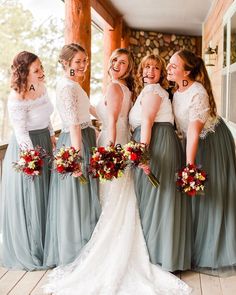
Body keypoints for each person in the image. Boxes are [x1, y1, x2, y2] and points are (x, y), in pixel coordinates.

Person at [43, 48, 191, 295]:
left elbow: (111, 122)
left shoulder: (116, 88)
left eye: (123, 62)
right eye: (114, 60)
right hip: (122, 141)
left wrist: (108, 151)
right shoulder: (125, 89)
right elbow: (102, 112)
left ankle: (106, 249)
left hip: (113, 143)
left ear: (129, 67)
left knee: (109, 200)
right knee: (118, 199)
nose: (116, 65)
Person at [167, 49, 236, 275]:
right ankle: (197, 248)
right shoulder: (176, 91)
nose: (169, 67)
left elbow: (194, 132)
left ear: (186, 71)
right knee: (198, 199)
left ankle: (216, 252)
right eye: (169, 63)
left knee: (212, 195)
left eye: (174, 65)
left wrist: (189, 166)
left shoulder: (197, 91)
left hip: (212, 142)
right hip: (194, 142)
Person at [129, 53, 191, 272]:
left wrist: (143, 154)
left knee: (157, 199)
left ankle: (157, 256)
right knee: (153, 199)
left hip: (157, 144)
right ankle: (157, 253)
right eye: (146, 67)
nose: (150, 72)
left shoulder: (154, 91)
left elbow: (147, 121)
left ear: (161, 73)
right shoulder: (147, 91)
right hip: (155, 141)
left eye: (156, 68)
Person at [43, 43, 101, 267]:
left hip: (84, 138)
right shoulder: (67, 87)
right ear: (66, 63)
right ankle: (77, 251)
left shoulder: (74, 85)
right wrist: (76, 157)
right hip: (77, 143)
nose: (83, 65)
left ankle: (86, 246)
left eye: (85, 61)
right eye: (78, 61)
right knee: (77, 196)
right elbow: (74, 125)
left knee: (83, 195)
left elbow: (87, 110)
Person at [1, 51, 55, 270]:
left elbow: (48, 115)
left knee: (46, 194)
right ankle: (33, 249)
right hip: (27, 148)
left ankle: (48, 243)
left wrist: (52, 136)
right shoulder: (16, 98)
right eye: (36, 70)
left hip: (45, 141)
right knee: (32, 196)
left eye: (41, 67)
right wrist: (31, 158)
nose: (42, 72)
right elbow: (21, 132)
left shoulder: (40, 87)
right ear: (24, 73)